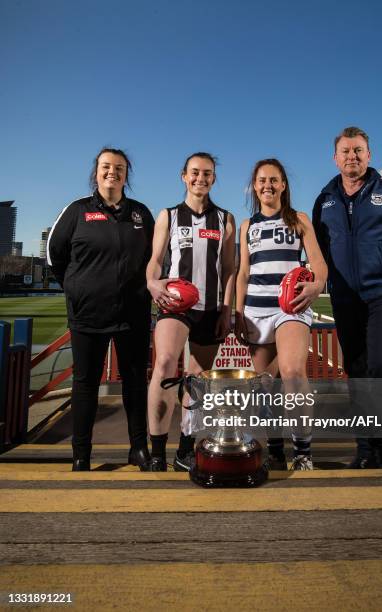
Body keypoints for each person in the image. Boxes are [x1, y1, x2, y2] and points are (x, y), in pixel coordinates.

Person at [312, 126, 382, 468]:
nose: (352, 156)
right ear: (335, 158)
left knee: (381, 365)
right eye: (346, 151)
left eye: (358, 150)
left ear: (369, 155)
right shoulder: (324, 199)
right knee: (357, 369)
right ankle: (365, 446)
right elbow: (317, 249)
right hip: (345, 298)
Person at [47, 147, 154, 471]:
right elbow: (55, 256)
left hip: (132, 313)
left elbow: (156, 259)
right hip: (88, 314)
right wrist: (77, 289)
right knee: (86, 384)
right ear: (96, 172)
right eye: (106, 166)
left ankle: (138, 450)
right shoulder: (77, 211)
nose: (113, 172)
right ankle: (81, 455)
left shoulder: (140, 214)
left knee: (135, 383)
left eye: (119, 168)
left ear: (126, 175)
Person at [235, 159, 327, 470]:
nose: (267, 185)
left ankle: (302, 452)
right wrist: (236, 312)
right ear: (254, 186)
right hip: (255, 311)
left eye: (274, 180)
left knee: (292, 373)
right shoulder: (248, 226)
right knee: (263, 386)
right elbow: (243, 273)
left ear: (283, 185)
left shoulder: (299, 220)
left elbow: (318, 263)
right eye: (261, 180)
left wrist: (316, 287)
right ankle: (275, 447)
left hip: (290, 307)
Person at [146, 152, 236, 471]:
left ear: (214, 178)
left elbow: (228, 269)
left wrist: (228, 308)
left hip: (211, 307)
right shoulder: (168, 216)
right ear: (184, 176)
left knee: (198, 379)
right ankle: (157, 451)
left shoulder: (225, 218)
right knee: (167, 363)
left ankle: (185, 448)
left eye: (208, 173)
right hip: (176, 304)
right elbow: (156, 261)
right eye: (195, 172)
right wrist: (152, 284)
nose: (201, 178)